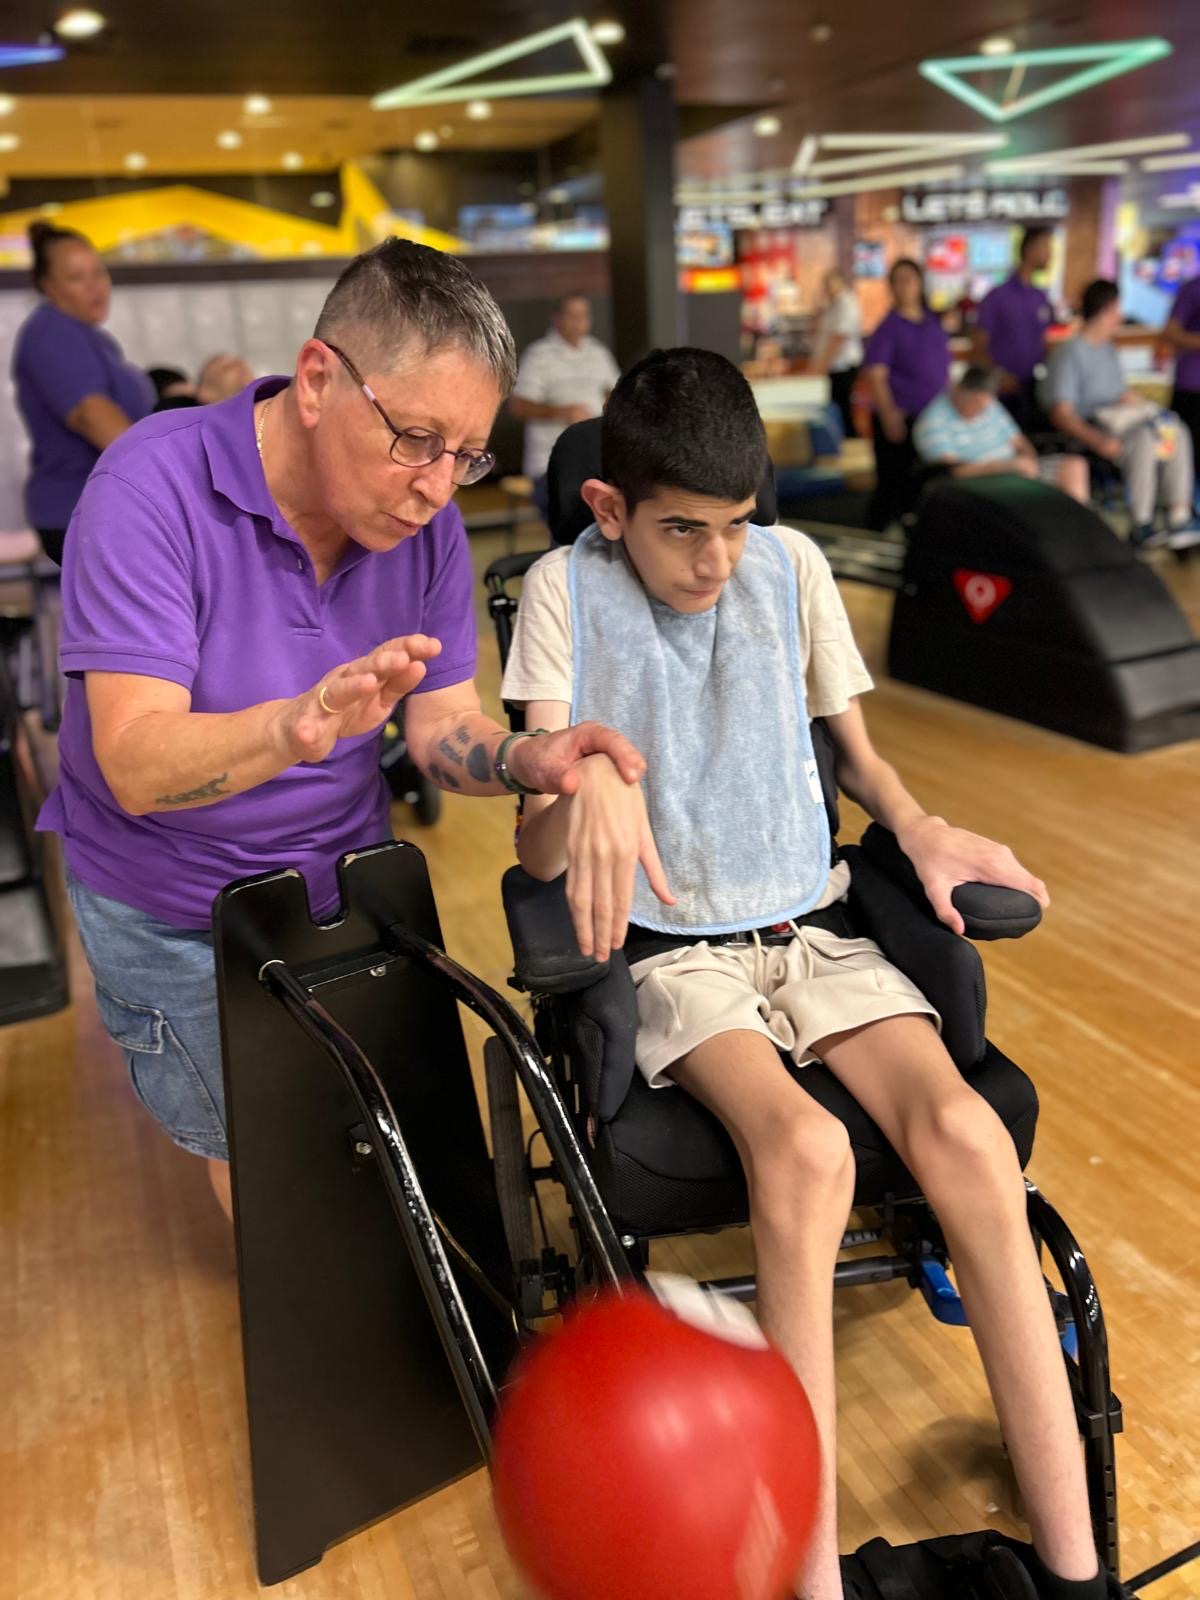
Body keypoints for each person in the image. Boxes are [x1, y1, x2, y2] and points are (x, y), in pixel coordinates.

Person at [499, 346, 1120, 1600]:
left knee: (966, 1132)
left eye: (735, 526)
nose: (715, 561)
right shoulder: (566, 587)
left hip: (809, 924)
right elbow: (535, 842)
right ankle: (811, 1577)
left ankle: (1076, 1567)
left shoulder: (792, 569)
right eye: (683, 531)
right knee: (810, 1151)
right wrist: (588, 771)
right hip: (676, 956)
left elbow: (858, 761)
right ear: (609, 509)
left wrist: (922, 825)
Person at [36, 239, 650, 1222]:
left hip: (344, 881)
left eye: (467, 454)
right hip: (180, 906)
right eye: (416, 438)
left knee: (381, 1131)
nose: (439, 486)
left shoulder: (427, 526)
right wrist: (298, 725)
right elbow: (136, 765)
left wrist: (522, 756)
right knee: (270, 1163)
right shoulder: (150, 487)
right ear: (319, 381)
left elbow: (445, 725)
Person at [12, 221, 156, 564]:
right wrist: (166, 477)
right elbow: (92, 416)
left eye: (98, 273)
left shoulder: (92, 338)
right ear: (47, 286)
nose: (95, 288)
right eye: (77, 278)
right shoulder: (52, 333)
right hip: (81, 510)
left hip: (103, 507)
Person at [1040, 279, 1200, 550]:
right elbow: (1061, 412)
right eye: (1117, 309)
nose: (1121, 316)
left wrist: (1155, 412)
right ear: (1105, 310)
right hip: (1095, 426)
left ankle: (1179, 515)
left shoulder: (1107, 350)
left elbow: (1119, 393)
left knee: (1175, 429)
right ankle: (1142, 522)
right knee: (1145, 440)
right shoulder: (1070, 353)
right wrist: (1098, 441)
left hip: (1121, 418)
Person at [509, 293, 619, 519]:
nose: (579, 322)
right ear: (557, 318)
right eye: (572, 315)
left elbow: (614, 394)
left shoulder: (598, 352)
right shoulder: (539, 355)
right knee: (569, 523)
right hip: (551, 463)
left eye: (584, 315)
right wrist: (562, 412)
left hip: (596, 458)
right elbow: (518, 407)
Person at [862, 258, 950, 531]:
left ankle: (915, 534)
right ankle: (876, 537)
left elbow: (943, 369)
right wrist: (888, 415)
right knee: (892, 483)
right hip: (900, 415)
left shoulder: (933, 323)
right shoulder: (889, 327)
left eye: (909, 279)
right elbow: (876, 375)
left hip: (933, 417)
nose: (904, 286)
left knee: (923, 482)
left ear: (920, 282)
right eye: (897, 281)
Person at [913, 366, 1089, 502]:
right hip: (980, 482)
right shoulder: (933, 422)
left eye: (984, 405)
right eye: (975, 404)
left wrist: (1030, 463)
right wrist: (1008, 467)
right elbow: (952, 472)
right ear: (959, 391)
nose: (980, 410)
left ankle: (1077, 528)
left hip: (1015, 469)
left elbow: (1019, 441)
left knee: (1074, 466)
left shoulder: (989, 405)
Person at [972, 227, 1057, 432]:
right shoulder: (997, 297)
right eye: (1045, 247)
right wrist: (997, 376)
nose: (1050, 254)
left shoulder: (1041, 298)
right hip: (1002, 391)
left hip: (1035, 388)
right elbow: (978, 345)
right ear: (1029, 249)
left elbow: (1046, 343)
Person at [809, 267, 863, 439]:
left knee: (842, 409)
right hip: (833, 367)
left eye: (830, 284)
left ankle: (849, 441)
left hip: (842, 366)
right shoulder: (833, 305)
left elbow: (839, 338)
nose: (828, 289)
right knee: (836, 408)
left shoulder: (847, 303)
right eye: (825, 285)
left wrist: (821, 367)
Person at [1160, 271, 1200, 501]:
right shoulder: (1193, 288)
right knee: (1185, 457)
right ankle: (1184, 513)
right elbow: (1170, 332)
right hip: (1192, 386)